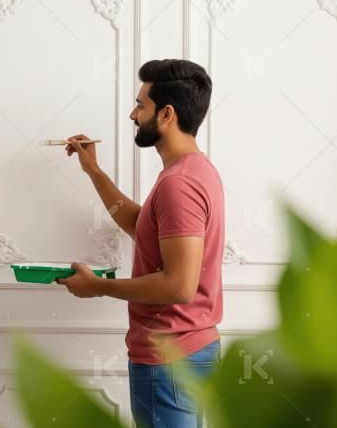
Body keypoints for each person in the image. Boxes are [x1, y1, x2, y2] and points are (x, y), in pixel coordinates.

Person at [57, 59, 223, 428]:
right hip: (191, 349)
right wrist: (94, 172)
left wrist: (96, 287)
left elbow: (178, 286)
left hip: (169, 359)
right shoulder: (195, 170)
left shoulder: (178, 183)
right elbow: (141, 227)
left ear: (166, 114)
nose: (133, 114)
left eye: (140, 105)